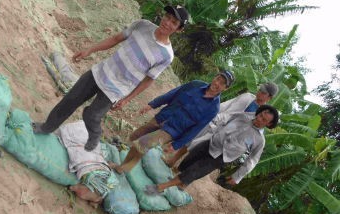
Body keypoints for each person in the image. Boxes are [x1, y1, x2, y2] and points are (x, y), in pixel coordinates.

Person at [33, 5, 190, 151]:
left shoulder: (167, 55)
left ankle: (95, 134)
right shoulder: (142, 25)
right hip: (102, 71)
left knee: (91, 115)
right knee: (71, 99)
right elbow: (116, 39)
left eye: (174, 22)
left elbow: (149, 80)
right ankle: (47, 127)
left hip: (117, 87)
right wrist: (90, 50)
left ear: (179, 29)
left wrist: (127, 99)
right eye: (167, 17)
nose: (167, 22)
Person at [113, 70, 235, 174]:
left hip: (172, 130)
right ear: (215, 77)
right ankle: (122, 159)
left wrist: (177, 145)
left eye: (222, 83)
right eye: (218, 79)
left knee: (143, 143)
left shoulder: (213, 108)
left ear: (225, 88)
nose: (217, 83)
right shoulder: (196, 85)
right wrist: (153, 104)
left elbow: (196, 129)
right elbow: (173, 94)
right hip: (163, 116)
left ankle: (122, 169)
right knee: (136, 135)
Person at [144, 105, 279, 195]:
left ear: (269, 124)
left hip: (221, 157)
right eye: (261, 115)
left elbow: (252, 160)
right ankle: (182, 183)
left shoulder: (259, 140)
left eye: (264, 119)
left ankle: (160, 188)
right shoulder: (246, 116)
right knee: (189, 160)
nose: (259, 118)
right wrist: (215, 120)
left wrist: (237, 176)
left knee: (195, 170)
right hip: (213, 142)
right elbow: (227, 116)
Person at [164, 82, 279, 167]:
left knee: (198, 146)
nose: (259, 92)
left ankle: (180, 167)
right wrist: (214, 115)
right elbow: (228, 105)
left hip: (226, 135)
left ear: (269, 97)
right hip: (217, 121)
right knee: (193, 138)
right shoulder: (247, 97)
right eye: (260, 89)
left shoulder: (262, 115)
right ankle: (173, 159)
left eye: (263, 93)